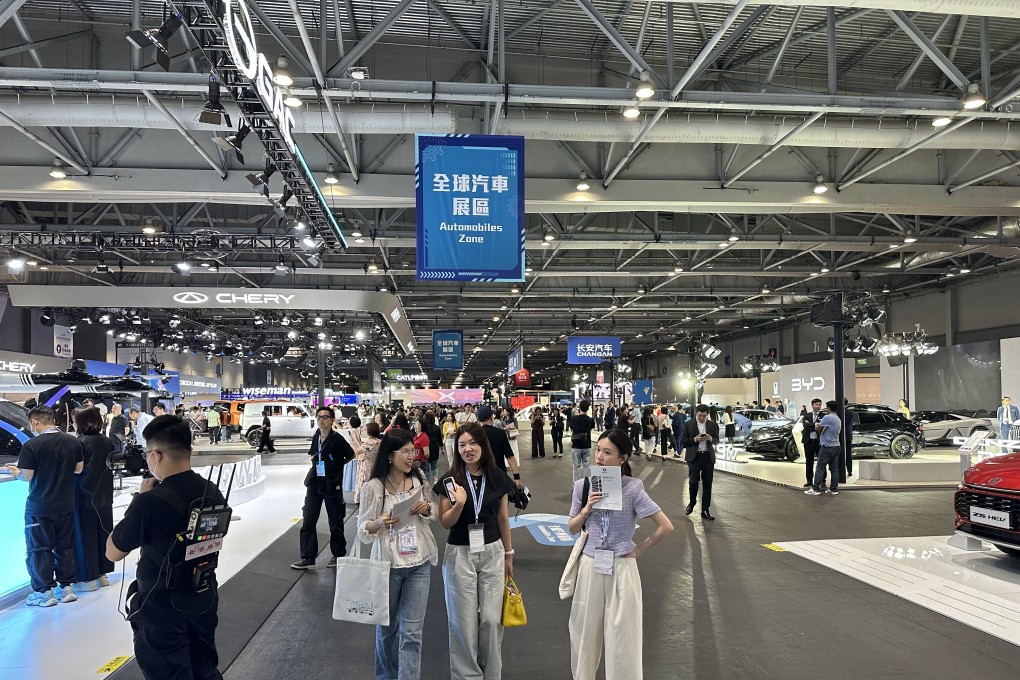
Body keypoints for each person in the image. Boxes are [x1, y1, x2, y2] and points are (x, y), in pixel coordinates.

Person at [106, 415, 226, 679]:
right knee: (205, 669)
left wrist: (140, 501)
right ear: (189, 450)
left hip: (161, 608)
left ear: (156, 455)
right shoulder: (212, 490)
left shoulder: (149, 502)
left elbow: (113, 551)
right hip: (203, 596)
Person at [567, 429, 674, 680]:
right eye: (598, 450)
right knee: (584, 632)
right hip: (590, 565)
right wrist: (587, 509)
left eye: (607, 452)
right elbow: (572, 528)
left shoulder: (633, 488)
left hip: (622, 568)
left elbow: (666, 526)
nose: (600, 457)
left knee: (624, 636)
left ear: (622, 458)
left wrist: (637, 550)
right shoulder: (583, 486)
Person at [433, 422, 515, 680]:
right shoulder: (449, 480)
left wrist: (509, 554)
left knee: (492, 619)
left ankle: (491, 674)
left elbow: (503, 519)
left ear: (483, 445)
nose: (468, 449)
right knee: (463, 623)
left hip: (492, 551)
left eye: (473, 443)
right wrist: (459, 505)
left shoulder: (498, 477)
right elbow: (445, 522)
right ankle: (467, 676)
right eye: (462, 445)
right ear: (456, 450)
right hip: (459, 553)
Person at [359, 429, 439, 680]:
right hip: (388, 565)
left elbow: (434, 511)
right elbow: (363, 529)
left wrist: (426, 508)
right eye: (405, 451)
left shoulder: (418, 478)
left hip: (419, 563)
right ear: (390, 456)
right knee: (387, 630)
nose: (411, 456)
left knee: (412, 634)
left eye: (412, 451)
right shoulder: (374, 488)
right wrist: (378, 523)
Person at [3, 405, 84, 607]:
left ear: (35, 422)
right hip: (66, 504)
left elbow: (26, 476)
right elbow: (78, 469)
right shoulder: (72, 441)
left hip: (40, 506)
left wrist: (15, 471)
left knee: (39, 549)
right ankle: (66, 588)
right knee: (65, 547)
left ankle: (43, 592)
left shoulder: (32, 445)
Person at [291, 407, 356, 569]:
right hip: (315, 483)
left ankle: (338, 554)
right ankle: (307, 557)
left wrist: (335, 467)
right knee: (308, 519)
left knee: (335, 521)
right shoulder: (316, 437)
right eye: (319, 417)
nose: (321, 419)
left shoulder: (337, 439)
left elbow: (351, 454)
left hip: (331, 484)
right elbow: (314, 455)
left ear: (332, 420)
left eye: (325, 417)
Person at [72, 407, 115, 593]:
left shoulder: (78, 443)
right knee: (103, 534)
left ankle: (86, 578)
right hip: (104, 495)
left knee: (84, 537)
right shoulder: (107, 441)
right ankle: (102, 575)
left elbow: (77, 469)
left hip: (83, 495)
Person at [681, 404, 719, 521]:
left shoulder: (712, 425)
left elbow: (717, 441)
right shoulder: (688, 424)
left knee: (707, 484)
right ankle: (692, 502)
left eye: (704, 416)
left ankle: (705, 509)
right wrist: (695, 439)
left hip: (708, 457)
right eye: (700, 415)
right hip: (694, 457)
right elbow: (683, 441)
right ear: (696, 413)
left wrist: (710, 439)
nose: (702, 418)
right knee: (693, 482)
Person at [477, 406, 522, 487]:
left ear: (478, 419)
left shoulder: (475, 435)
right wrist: (516, 477)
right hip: (499, 474)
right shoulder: (500, 433)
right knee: (502, 498)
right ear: (491, 417)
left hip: (480, 474)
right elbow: (510, 457)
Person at [806, 400, 842, 496]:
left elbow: (819, 429)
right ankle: (833, 489)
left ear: (829, 408)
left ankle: (815, 489)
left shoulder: (827, 417)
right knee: (834, 469)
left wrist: (817, 425)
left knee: (820, 468)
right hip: (836, 446)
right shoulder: (837, 418)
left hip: (827, 446)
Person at [355, 422, 383, 504]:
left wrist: (354, 441)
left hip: (367, 465)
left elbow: (358, 451)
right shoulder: (379, 441)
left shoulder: (370, 442)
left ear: (369, 431)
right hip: (375, 464)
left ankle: (362, 500)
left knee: (364, 482)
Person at [569, 401, 597, 482]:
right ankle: (587, 486)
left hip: (576, 445)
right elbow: (592, 427)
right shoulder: (590, 420)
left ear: (579, 408)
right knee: (587, 466)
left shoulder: (574, 419)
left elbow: (572, 427)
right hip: (586, 445)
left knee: (576, 467)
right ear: (588, 408)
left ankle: (576, 486)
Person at [801, 399, 823, 488]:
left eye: (819, 405)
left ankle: (822, 480)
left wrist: (810, 424)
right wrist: (814, 425)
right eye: (816, 404)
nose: (818, 406)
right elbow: (805, 425)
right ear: (812, 405)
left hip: (819, 441)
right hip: (808, 441)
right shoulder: (807, 415)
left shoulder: (823, 416)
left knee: (821, 462)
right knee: (809, 461)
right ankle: (809, 480)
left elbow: (821, 426)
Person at [423, 412, 442, 484]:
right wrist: (442, 448)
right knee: (434, 465)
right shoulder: (437, 427)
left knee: (427, 466)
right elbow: (440, 438)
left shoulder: (424, 428)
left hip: (426, 447)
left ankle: (427, 481)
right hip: (435, 447)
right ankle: (435, 479)